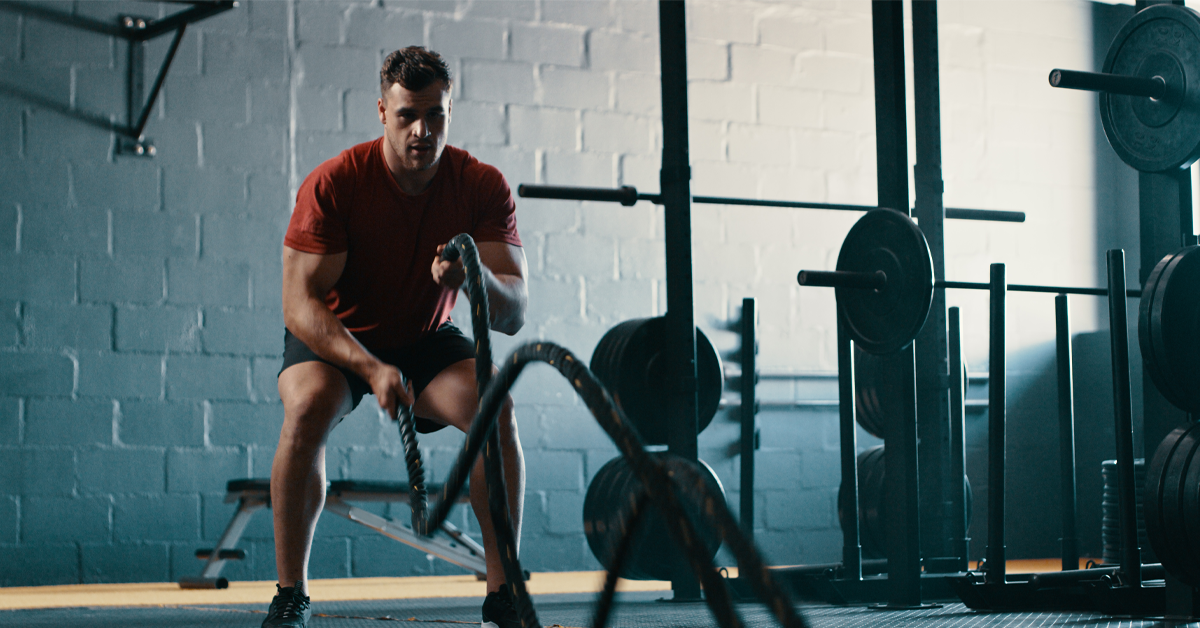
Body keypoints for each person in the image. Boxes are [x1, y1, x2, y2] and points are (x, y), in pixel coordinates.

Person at [265, 46, 529, 628]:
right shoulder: (336, 183)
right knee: (307, 407)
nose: (422, 130)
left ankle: (503, 591)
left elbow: (515, 312)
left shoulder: (480, 184)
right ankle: (290, 594)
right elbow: (297, 304)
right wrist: (368, 368)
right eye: (408, 114)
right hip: (338, 335)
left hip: (426, 335)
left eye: (435, 115)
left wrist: (475, 279)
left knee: (496, 409)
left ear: (450, 110)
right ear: (382, 112)